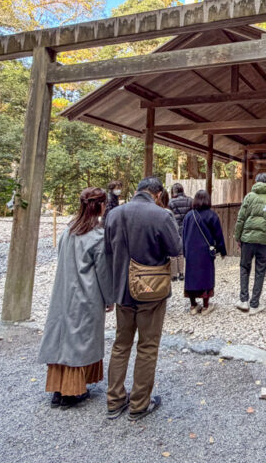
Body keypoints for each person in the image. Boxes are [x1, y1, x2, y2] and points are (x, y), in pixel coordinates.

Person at [103, 176, 182, 421]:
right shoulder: (161, 215)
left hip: (121, 290)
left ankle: (114, 400)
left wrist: (108, 290)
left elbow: (106, 252)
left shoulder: (114, 214)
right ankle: (139, 403)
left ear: (137, 191)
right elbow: (176, 248)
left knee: (120, 344)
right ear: (157, 194)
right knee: (147, 346)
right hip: (151, 290)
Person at [38, 187, 113, 408]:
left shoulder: (67, 231)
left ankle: (57, 389)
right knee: (79, 340)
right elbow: (103, 271)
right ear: (100, 205)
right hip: (86, 294)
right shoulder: (97, 236)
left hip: (62, 293)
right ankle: (71, 391)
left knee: (62, 338)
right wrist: (109, 298)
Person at [233, 172, 266, 315]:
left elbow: (241, 218)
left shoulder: (249, 197)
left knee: (245, 267)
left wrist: (237, 236)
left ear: (256, 182)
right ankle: (255, 304)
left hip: (248, 239)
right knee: (260, 271)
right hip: (265, 240)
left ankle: (243, 300)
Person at [182, 190, 226, 315]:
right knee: (206, 277)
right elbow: (218, 235)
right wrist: (222, 250)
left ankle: (193, 305)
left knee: (191, 276)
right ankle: (206, 306)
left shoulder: (189, 216)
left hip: (191, 251)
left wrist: (184, 251)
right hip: (205, 252)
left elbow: (184, 235)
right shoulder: (212, 215)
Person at [167, 183, 192, 282]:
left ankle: (173, 275)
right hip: (187, 227)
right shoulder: (190, 200)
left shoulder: (171, 202)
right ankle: (182, 273)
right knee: (181, 251)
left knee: (174, 251)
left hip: (174, 227)